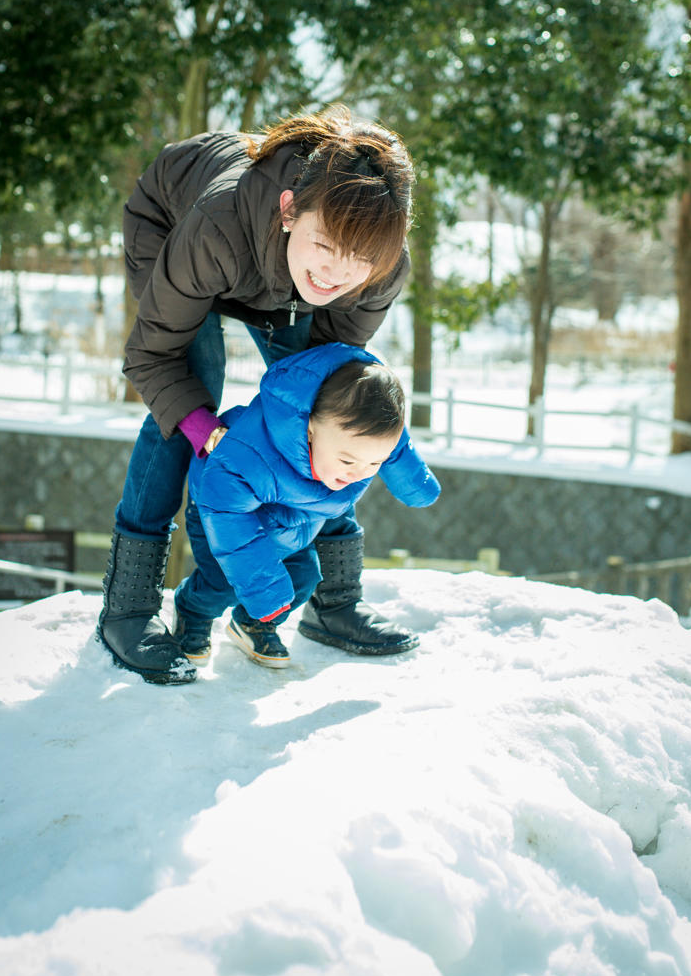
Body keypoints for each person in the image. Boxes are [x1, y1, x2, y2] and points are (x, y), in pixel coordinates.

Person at [97, 106, 418, 684]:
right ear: (291, 210)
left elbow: (331, 399)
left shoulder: (376, 272)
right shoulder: (216, 226)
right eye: (328, 242)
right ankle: (127, 609)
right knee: (191, 391)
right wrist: (204, 429)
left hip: (273, 273)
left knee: (327, 410)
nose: (337, 272)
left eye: (361, 258)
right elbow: (152, 357)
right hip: (179, 228)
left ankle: (333, 601)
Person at [171, 343, 440, 670]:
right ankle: (192, 612)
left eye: (374, 463)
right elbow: (226, 509)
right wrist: (263, 589)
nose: (357, 474)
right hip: (223, 520)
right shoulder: (251, 453)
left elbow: (398, 450)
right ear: (309, 429)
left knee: (305, 576)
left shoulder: (359, 441)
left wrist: (416, 485)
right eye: (347, 460)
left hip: (294, 525)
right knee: (223, 583)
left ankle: (252, 623)